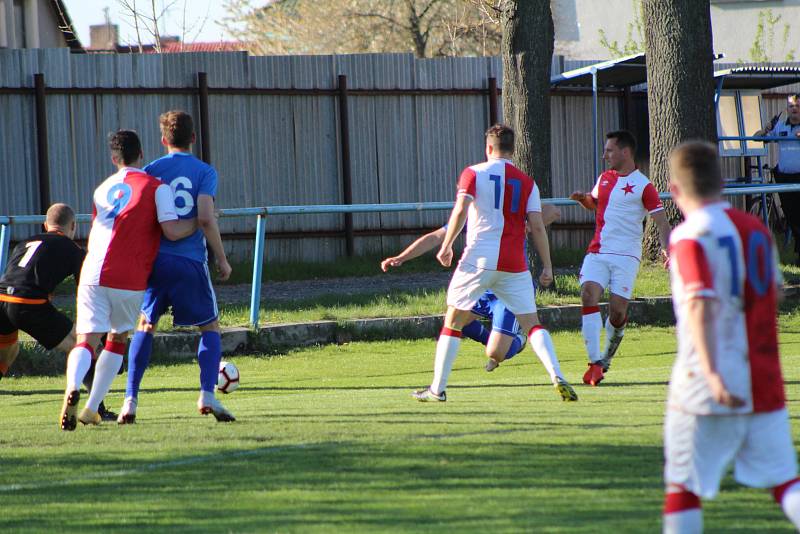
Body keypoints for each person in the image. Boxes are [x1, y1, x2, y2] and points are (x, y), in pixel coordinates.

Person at [662, 140, 800, 533]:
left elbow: (698, 304)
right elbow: (776, 291)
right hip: (763, 376)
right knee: (785, 482)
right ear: (721, 182)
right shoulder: (756, 229)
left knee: (683, 486)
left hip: (707, 378)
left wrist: (714, 374)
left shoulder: (690, 235)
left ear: (675, 190)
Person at [412, 124, 577, 403]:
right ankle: (557, 375)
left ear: (488, 148)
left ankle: (436, 390)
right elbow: (537, 227)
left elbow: (461, 210)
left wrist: (447, 244)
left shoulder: (473, 173)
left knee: (452, 321)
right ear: (513, 150)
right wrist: (548, 266)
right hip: (515, 264)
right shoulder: (527, 182)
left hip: (479, 259)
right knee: (532, 324)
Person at [60, 130, 195, 431]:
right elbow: (172, 231)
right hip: (129, 276)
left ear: (113, 159)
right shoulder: (156, 187)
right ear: (141, 154)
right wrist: (200, 222)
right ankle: (91, 407)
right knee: (117, 339)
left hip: (92, 271)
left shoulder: (101, 189)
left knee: (86, 340)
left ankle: (72, 387)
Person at [118, 110, 234, 424]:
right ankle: (207, 396)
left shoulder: (152, 170)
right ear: (193, 138)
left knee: (144, 326)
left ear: (163, 140)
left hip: (155, 261)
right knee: (209, 327)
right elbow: (207, 218)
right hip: (189, 262)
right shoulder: (205, 172)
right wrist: (222, 259)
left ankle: (130, 401)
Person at [381, 205, 561, 373]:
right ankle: (438, 386)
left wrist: (528, 225)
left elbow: (553, 211)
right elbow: (437, 236)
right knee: (455, 321)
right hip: (482, 286)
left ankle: (518, 341)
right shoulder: (475, 214)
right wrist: (402, 257)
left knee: (498, 354)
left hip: (508, 290)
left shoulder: (513, 209)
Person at [570, 130, 671, 386]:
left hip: (626, 256)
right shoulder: (604, 178)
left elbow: (661, 221)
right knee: (588, 295)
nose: (605, 155)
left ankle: (607, 357)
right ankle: (594, 363)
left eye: (609, 151)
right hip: (598, 251)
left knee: (617, 312)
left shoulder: (643, 185)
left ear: (625, 152)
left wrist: (668, 248)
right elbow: (595, 202)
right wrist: (584, 199)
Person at [0, 204, 118, 419]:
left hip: (1, 299)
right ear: (72, 226)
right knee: (81, 348)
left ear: (46, 225)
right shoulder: (72, 250)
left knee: (8, 354)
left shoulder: (27, 242)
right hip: (28, 303)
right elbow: (87, 291)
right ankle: (96, 410)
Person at [755, 93, 800, 261]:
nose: (794, 109)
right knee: (791, 215)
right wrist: (767, 128)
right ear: (787, 109)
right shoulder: (780, 126)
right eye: (791, 106)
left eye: (797, 106)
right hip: (785, 178)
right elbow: (756, 138)